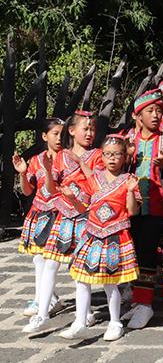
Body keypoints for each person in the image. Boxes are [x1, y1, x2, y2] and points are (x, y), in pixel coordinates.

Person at [23, 111, 102, 333]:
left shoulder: (97, 155)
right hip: (64, 214)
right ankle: (42, 313)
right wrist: (48, 170)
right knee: (49, 262)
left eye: (92, 129)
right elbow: (50, 188)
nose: (89, 133)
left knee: (79, 268)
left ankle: (84, 313)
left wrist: (79, 161)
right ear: (72, 131)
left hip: (86, 215)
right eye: (85, 129)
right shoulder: (60, 156)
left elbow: (98, 183)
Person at [60, 134, 140, 341]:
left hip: (115, 236)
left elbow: (132, 211)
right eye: (108, 154)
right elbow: (82, 207)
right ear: (101, 157)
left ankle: (115, 322)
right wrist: (70, 197)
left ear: (125, 157)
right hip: (92, 235)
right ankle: (80, 321)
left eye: (117, 154)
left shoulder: (128, 181)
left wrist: (131, 192)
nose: (112, 158)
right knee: (81, 280)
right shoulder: (93, 179)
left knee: (110, 282)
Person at [125, 90, 163, 330]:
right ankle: (136, 300)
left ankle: (145, 304)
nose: (156, 115)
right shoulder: (127, 140)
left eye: (159, 110)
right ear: (138, 116)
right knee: (131, 253)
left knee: (147, 253)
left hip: (155, 206)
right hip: (128, 206)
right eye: (150, 111)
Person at [14, 118, 65, 319]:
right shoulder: (36, 160)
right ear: (45, 136)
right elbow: (28, 191)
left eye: (62, 133)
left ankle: (44, 300)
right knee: (38, 258)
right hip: (40, 212)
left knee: (51, 260)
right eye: (55, 133)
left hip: (61, 212)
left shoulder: (68, 159)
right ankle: (44, 297)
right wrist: (23, 173)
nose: (59, 137)